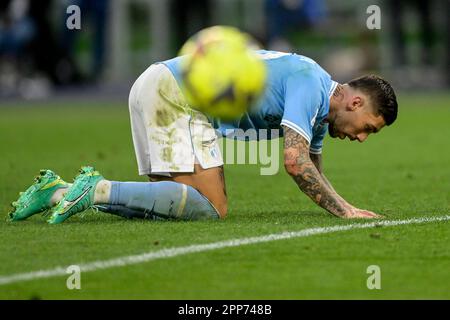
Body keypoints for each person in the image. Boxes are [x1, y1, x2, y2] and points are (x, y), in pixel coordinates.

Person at [8, 50, 398, 224]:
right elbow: (294, 162)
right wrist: (345, 212)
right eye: (368, 127)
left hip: (158, 84)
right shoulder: (312, 82)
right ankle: (93, 189)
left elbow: (311, 163)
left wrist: (340, 203)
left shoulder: (318, 111)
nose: (362, 138)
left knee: (168, 209)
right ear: (356, 101)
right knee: (212, 207)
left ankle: (57, 192)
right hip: (177, 97)